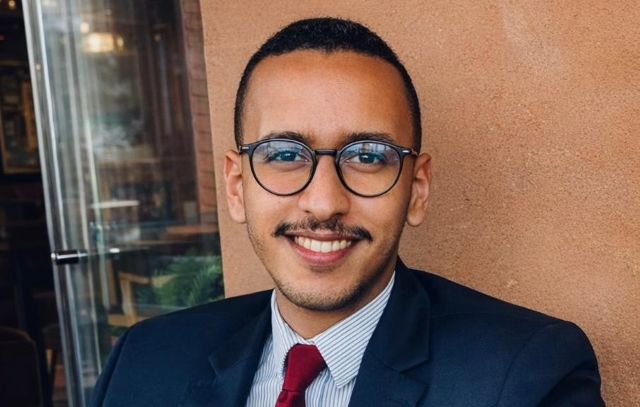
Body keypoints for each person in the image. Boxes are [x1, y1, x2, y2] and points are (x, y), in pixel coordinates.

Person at [91, 18, 604, 406]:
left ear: (417, 188)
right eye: (285, 154)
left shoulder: (527, 376)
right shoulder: (144, 361)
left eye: (368, 156)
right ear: (236, 185)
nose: (324, 202)